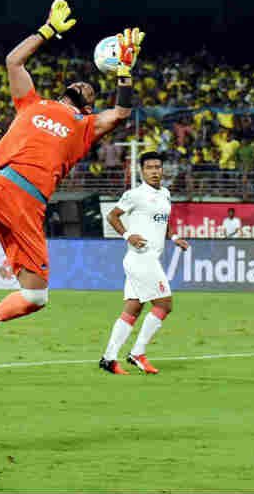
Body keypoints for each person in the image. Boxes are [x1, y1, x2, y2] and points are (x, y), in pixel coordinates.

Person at [0, 0, 144, 364]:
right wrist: (48, 30)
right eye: (80, 85)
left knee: (37, 297)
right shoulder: (32, 102)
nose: (85, 85)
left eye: (91, 90)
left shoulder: (85, 127)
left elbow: (120, 112)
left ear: (89, 106)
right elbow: (13, 60)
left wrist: (124, 72)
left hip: (30, 206)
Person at [99, 152, 190, 375]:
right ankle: (137, 353)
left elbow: (164, 220)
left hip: (146, 259)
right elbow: (112, 216)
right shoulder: (135, 195)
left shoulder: (165, 194)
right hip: (141, 259)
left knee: (133, 309)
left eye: (158, 167)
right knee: (164, 304)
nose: (154, 171)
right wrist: (127, 235)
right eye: (149, 167)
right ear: (141, 171)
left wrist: (174, 237)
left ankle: (108, 358)